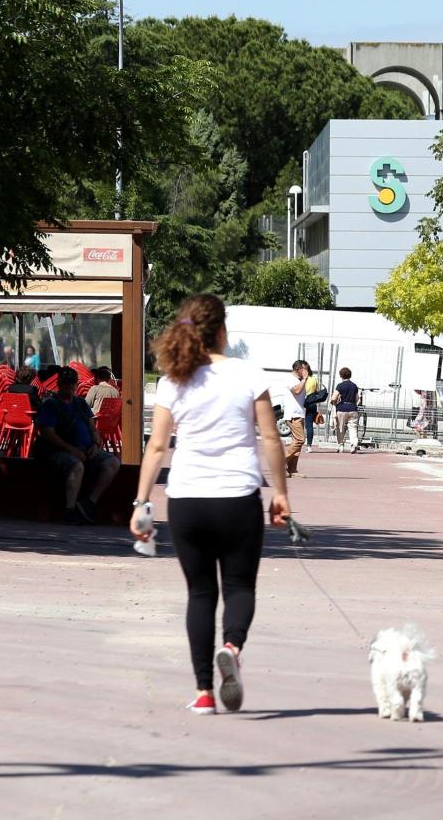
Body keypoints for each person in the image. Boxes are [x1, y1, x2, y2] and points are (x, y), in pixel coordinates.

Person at [133, 294, 291, 715]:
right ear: (222, 331)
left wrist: (141, 502)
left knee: (200, 594)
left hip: (186, 501)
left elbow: (157, 446)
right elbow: (270, 438)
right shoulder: (248, 374)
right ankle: (232, 647)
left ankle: (204, 692)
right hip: (237, 499)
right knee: (239, 587)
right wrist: (280, 493)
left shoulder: (173, 379)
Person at [37, 366, 120, 525]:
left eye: (71, 383)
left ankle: (88, 503)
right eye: (65, 383)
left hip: (86, 449)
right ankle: (70, 510)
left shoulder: (81, 403)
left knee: (113, 462)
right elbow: (48, 434)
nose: (69, 386)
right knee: (77, 466)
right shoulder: (50, 405)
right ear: (59, 384)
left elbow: (92, 428)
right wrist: (72, 450)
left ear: (76, 385)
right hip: (58, 450)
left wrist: (95, 444)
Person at [284, 361, 311, 475]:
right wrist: (304, 379)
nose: (306, 371)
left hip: (299, 413)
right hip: (293, 415)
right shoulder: (291, 379)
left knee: (297, 442)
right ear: (297, 369)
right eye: (304, 369)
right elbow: (296, 391)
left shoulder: (299, 380)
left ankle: (292, 469)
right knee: (300, 439)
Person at [333, 367, 361, 453]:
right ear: (350, 375)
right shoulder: (354, 386)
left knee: (340, 428)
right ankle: (354, 444)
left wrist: (334, 403)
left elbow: (334, 398)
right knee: (353, 428)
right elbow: (357, 399)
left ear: (341, 375)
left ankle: (340, 445)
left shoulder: (340, 386)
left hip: (342, 409)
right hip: (353, 409)